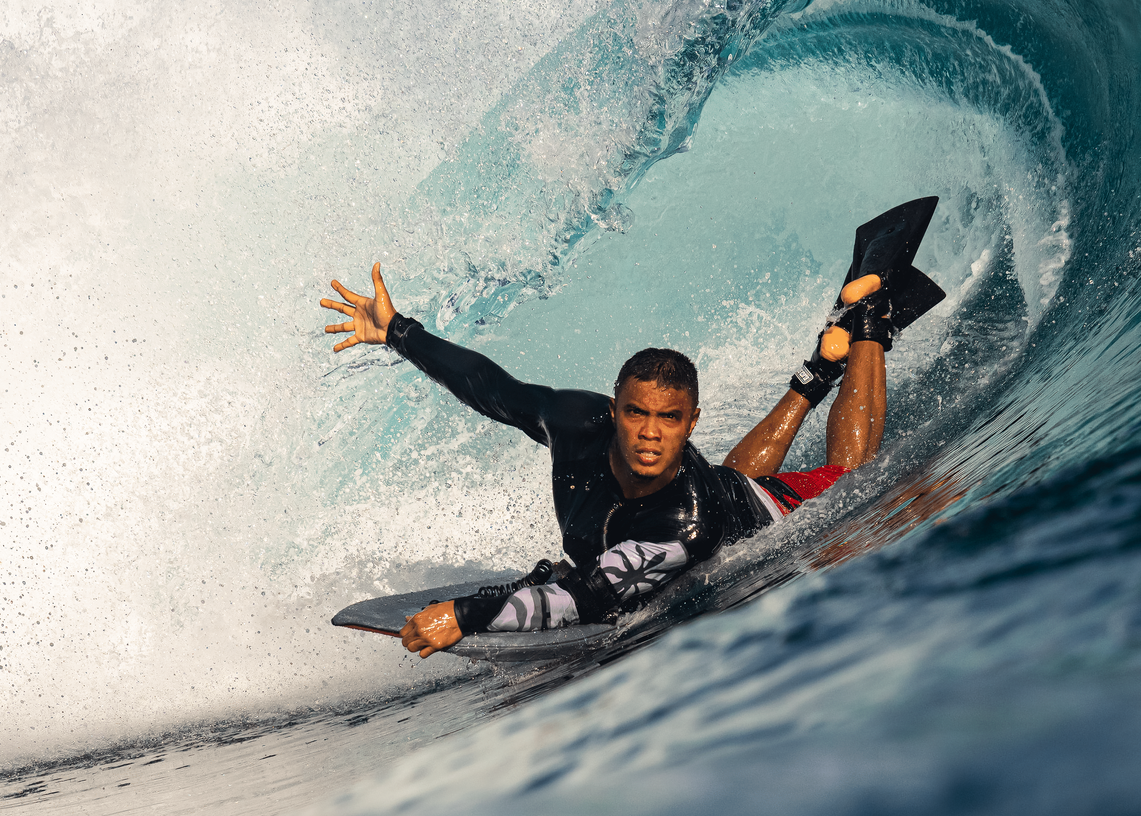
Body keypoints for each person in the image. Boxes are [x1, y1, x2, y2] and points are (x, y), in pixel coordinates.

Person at [318, 261, 916, 655]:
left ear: (691, 425)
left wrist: (469, 616)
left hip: (761, 510)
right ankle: (815, 374)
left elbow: (592, 597)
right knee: (730, 477)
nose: (650, 434)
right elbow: (491, 390)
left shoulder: (686, 526)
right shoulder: (578, 422)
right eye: (637, 414)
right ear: (615, 407)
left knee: (851, 475)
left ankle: (868, 323)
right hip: (722, 483)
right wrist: (399, 330)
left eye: (670, 419)